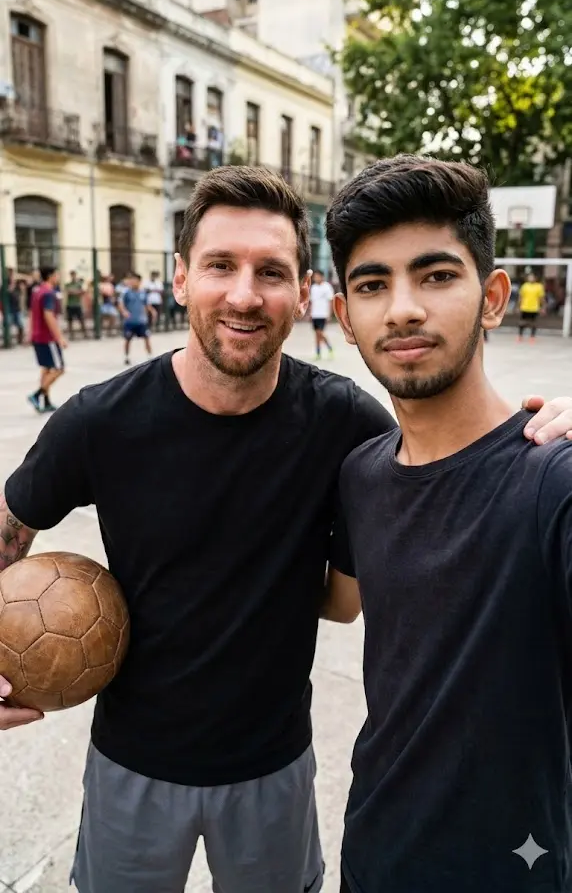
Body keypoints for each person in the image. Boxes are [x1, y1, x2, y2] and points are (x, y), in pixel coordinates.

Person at [0, 167, 571, 893]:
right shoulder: (99, 418)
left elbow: (440, 470)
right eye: (219, 266)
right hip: (129, 763)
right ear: (179, 279)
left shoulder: (348, 427)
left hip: (273, 767)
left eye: (271, 271)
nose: (243, 294)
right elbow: (10, 525)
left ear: (303, 294)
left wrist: (554, 420)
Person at [325, 155, 572, 893]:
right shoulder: (360, 474)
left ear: (494, 296)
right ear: (345, 317)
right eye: (373, 285)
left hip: (515, 871)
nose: (402, 308)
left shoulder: (551, 480)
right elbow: (338, 602)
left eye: (436, 276)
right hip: (373, 849)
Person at [27, 265, 67, 414]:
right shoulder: (49, 293)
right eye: (56, 275)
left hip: (37, 335)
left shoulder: (37, 291)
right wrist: (59, 337)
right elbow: (48, 315)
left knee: (46, 369)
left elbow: (32, 313)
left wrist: (30, 332)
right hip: (47, 337)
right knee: (59, 368)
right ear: (51, 276)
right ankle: (37, 395)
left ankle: (46, 401)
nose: (58, 277)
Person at [119, 272, 155, 365]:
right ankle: (126, 357)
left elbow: (147, 305)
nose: (132, 282)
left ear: (139, 281)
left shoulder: (143, 293)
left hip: (141, 321)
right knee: (127, 339)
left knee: (147, 337)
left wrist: (152, 311)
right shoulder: (126, 293)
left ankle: (150, 356)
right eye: (131, 280)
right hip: (130, 321)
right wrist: (124, 312)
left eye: (134, 280)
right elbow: (121, 304)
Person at [310, 268, 335, 360]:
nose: (315, 278)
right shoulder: (313, 288)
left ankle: (329, 348)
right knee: (316, 334)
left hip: (323, 314)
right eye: (314, 277)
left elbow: (330, 301)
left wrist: (329, 314)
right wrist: (310, 313)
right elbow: (312, 302)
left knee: (320, 333)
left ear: (321, 277)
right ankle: (318, 352)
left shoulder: (327, 287)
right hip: (315, 314)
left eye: (317, 276)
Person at [518, 270, 545, 341]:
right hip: (525, 307)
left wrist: (543, 307)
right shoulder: (524, 286)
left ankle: (532, 337)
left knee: (533, 323)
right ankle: (520, 336)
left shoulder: (539, 286)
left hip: (534, 308)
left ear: (535, 278)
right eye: (530, 277)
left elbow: (541, 298)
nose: (531, 278)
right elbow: (521, 297)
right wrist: (518, 306)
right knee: (522, 322)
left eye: (532, 277)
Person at [65, 270, 87, 340]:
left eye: (74, 275)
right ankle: (71, 335)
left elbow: (83, 292)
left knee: (81, 319)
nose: (73, 276)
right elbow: (69, 292)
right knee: (70, 321)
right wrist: (77, 292)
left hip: (77, 304)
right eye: (72, 275)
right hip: (70, 304)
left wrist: (74, 292)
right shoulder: (68, 284)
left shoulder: (79, 284)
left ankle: (85, 334)